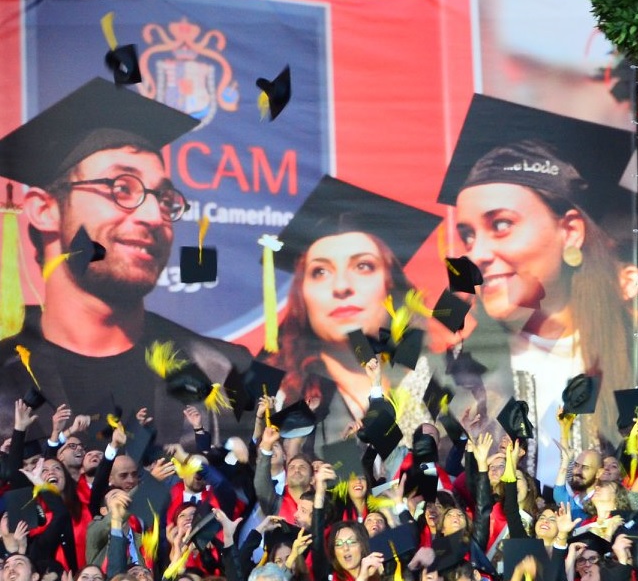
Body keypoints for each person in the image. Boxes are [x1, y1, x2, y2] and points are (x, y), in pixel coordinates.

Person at [0, 78, 253, 442]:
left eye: (164, 198)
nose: (154, 216)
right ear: (45, 210)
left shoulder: (226, 371)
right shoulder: (6, 372)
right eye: (122, 188)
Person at [436, 95, 638, 487]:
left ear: (571, 231)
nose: (476, 253)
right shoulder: (456, 372)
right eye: (467, 234)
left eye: (501, 225)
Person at [270, 175, 446, 448]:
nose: (341, 286)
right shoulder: (280, 391)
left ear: (391, 285)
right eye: (320, 271)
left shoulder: (438, 378)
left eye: (363, 266)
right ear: (301, 295)